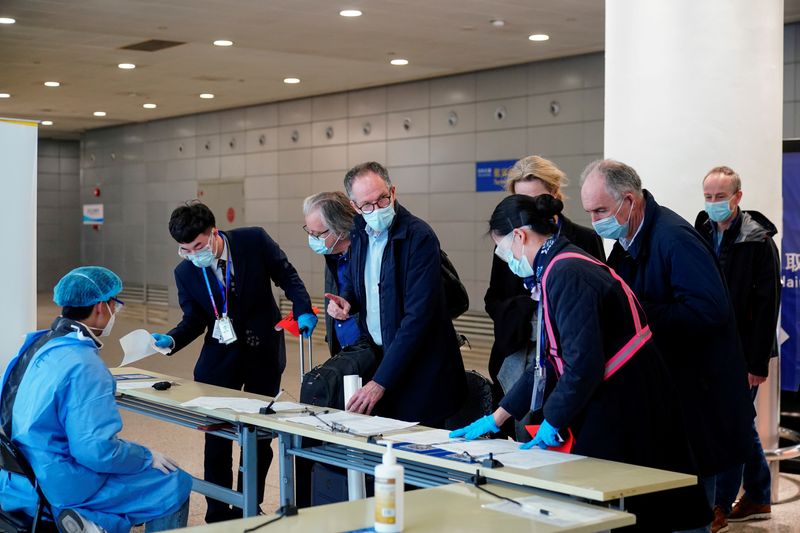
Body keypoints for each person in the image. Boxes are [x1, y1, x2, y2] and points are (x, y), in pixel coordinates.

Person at [451, 194, 710, 531]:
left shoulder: (567, 272)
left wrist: (552, 421)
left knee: (646, 506)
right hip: (618, 397)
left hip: (630, 400)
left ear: (519, 236)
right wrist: (496, 417)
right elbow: (548, 360)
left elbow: (581, 364)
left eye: (502, 250)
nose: (506, 261)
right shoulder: (556, 266)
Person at [580, 159, 754, 531]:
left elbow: (710, 310)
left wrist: (639, 311)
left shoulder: (673, 238)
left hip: (698, 398)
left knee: (690, 510)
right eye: (589, 212)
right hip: (665, 395)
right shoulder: (627, 238)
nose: (595, 221)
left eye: (600, 211)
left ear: (628, 201)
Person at [151, 201, 316, 523]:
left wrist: (303, 308)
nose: (192, 254)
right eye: (184, 249)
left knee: (259, 436)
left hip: (263, 354)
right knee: (217, 440)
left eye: (197, 246)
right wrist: (171, 339)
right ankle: (217, 511)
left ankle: (247, 506)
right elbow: (194, 320)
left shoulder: (253, 241)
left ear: (214, 233)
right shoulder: (185, 271)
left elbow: (287, 276)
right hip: (218, 362)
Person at [0, 267, 191, 533]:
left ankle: (92, 523)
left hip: (15, 478)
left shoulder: (36, 344)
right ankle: (89, 519)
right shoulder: (85, 365)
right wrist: (145, 457)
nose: (117, 310)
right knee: (174, 482)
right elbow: (96, 452)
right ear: (101, 307)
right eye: (117, 303)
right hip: (57, 485)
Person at [326, 161, 467, 426]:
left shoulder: (418, 236)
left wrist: (381, 381)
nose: (377, 209)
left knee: (419, 456)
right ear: (354, 206)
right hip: (384, 359)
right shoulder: (359, 232)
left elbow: (419, 317)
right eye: (367, 205)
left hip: (422, 369)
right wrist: (348, 300)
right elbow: (362, 281)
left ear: (393, 191)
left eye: (382, 199)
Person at [483, 155, 605, 441]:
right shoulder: (509, 244)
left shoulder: (569, 262)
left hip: (564, 356)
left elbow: (582, 357)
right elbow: (495, 298)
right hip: (525, 349)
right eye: (519, 200)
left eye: (533, 200)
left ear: (554, 195)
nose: (524, 210)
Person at [695, 166, 780, 531]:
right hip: (711, 350)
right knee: (738, 424)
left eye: (720, 197)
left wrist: (757, 362)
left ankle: (720, 505)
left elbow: (767, 307)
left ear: (738, 197)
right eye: (709, 197)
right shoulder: (700, 231)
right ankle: (759, 492)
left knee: (731, 426)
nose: (714, 204)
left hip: (744, 353)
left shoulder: (757, 240)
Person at [303, 191, 362, 356]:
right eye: (309, 231)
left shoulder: (366, 256)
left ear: (340, 231)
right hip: (341, 350)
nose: (311, 238)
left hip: (369, 351)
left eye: (317, 234)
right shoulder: (331, 256)